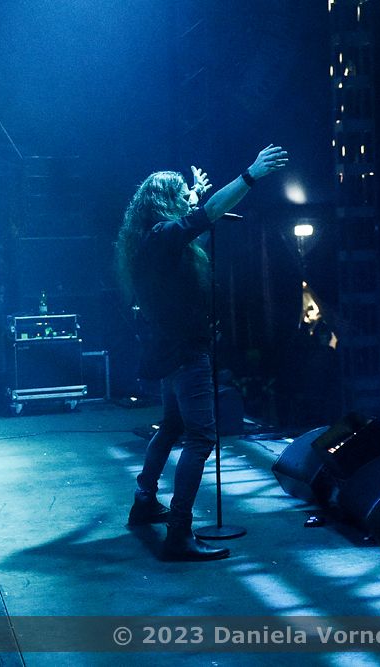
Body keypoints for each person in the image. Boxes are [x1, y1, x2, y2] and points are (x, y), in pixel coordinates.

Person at [116, 144, 289, 561]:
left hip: (168, 350)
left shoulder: (150, 238)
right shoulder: (164, 236)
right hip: (185, 352)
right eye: (181, 197)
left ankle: (144, 501)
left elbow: (195, 211)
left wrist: (192, 192)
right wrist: (250, 174)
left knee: (171, 426)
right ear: (166, 202)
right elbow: (206, 214)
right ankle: (179, 532)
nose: (188, 202)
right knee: (200, 438)